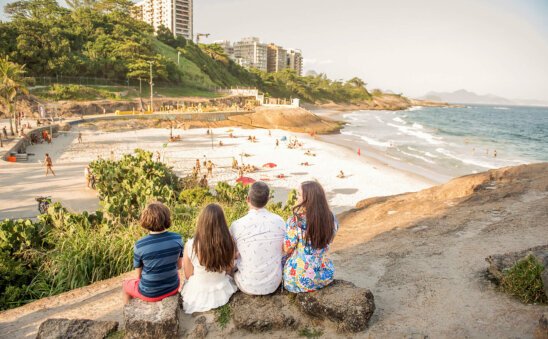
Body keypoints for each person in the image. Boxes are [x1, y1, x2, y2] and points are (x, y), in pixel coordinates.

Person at [122, 202, 184, 304]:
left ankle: (128, 310)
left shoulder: (139, 245)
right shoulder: (177, 238)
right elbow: (179, 266)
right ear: (167, 218)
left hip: (150, 293)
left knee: (126, 285)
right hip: (172, 287)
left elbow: (138, 276)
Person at [230, 182, 285, 295]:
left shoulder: (236, 225)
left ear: (248, 199)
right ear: (268, 199)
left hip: (246, 285)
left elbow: (233, 253)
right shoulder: (279, 221)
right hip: (274, 283)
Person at [283, 181, 338, 293]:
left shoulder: (295, 220)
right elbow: (330, 239)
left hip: (299, 277)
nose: (297, 197)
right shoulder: (331, 218)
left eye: (299, 194)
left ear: (307, 198)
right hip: (324, 273)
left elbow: (287, 248)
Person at [182, 204, 237, 313]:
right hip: (222, 288)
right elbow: (229, 268)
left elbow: (188, 275)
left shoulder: (191, 245)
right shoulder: (229, 242)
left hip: (198, 291)